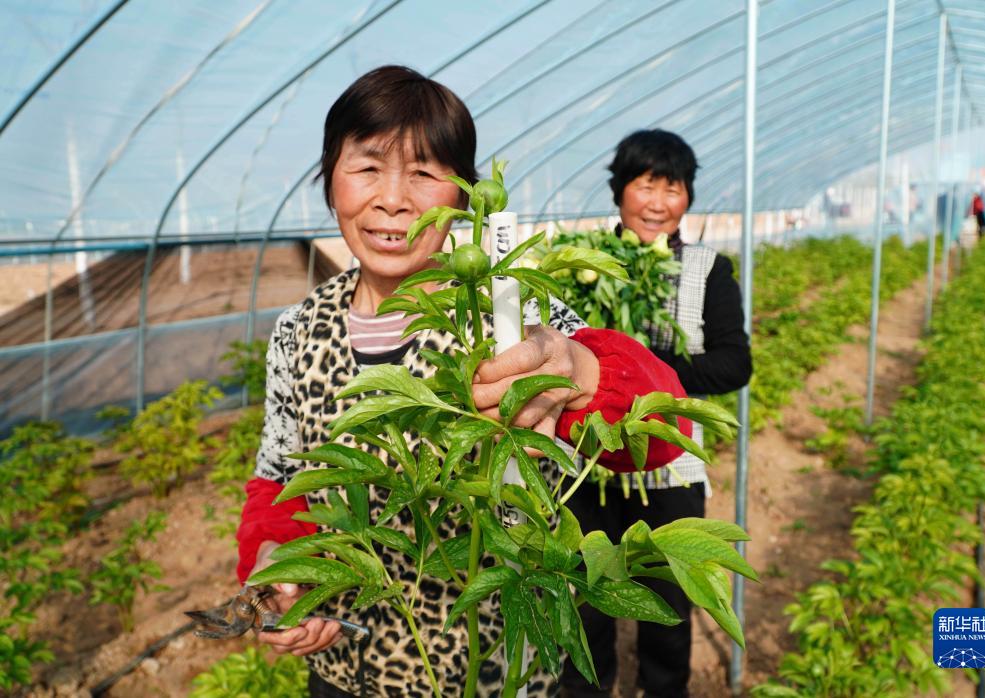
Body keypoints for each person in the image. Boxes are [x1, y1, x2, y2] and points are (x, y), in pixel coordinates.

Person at [235, 67, 693, 698]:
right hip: (347, 671)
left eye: (424, 172)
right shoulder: (297, 331)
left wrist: (581, 372)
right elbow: (280, 476)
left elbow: (669, 425)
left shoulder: (508, 313)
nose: (392, 198)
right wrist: (277, 568)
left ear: (464, 196)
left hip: (495, 673)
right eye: (367, 167)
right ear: (329, 178)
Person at [561, 129, 752, 698]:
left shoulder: (708, 270)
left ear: (688, 197)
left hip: (668, 468)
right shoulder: (583, 265)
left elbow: (732, 364)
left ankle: (664, 690)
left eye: (673, 189)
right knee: (586, 597)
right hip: (586, 464)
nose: (659, 203)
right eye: (647, 186)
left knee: (667, 601)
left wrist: (651, 373)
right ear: (621, 191)